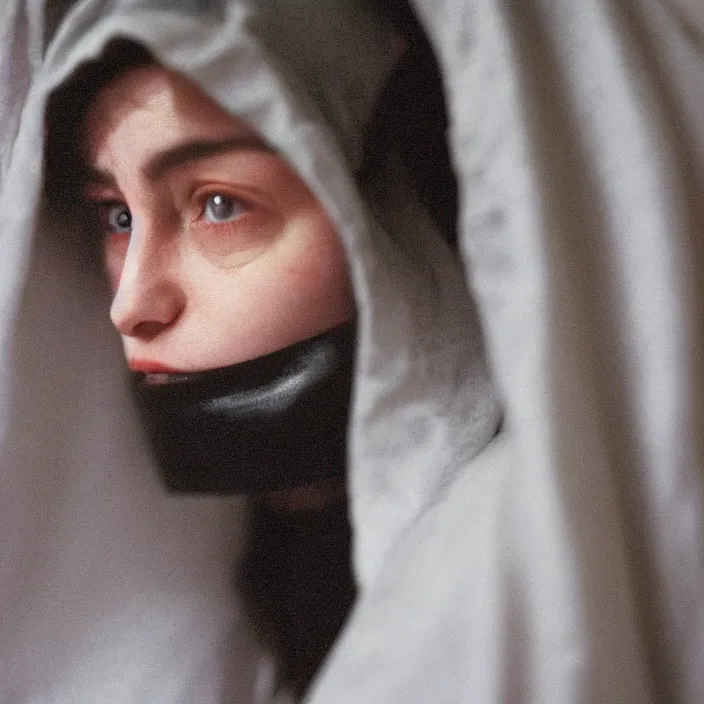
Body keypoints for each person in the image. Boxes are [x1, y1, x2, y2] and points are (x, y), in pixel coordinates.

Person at [2, 2, 702, 704]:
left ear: (385, 216)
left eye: (219, 205)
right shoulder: (220, 584)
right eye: (117, 216)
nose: (132, 303)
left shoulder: (527, 566)